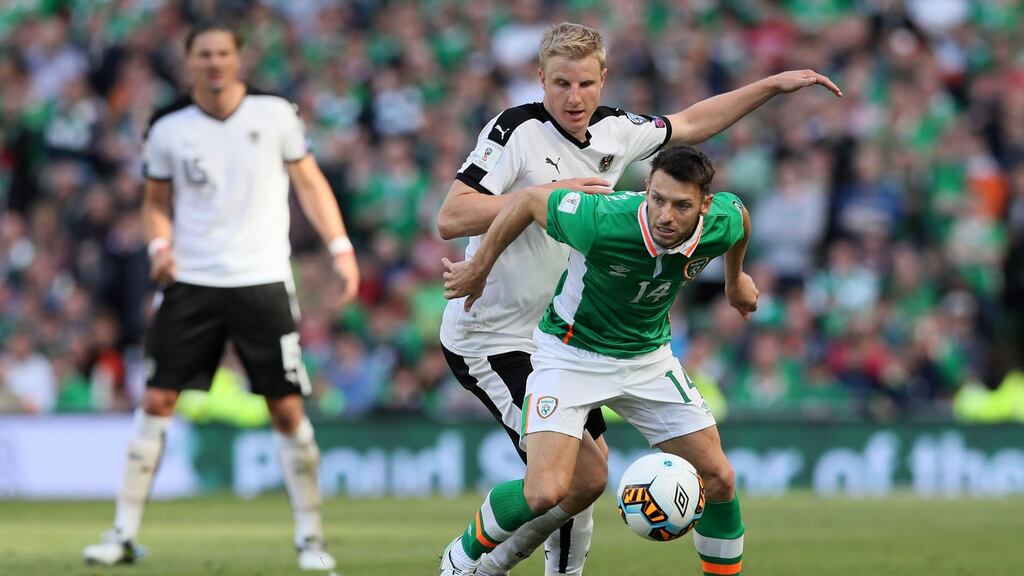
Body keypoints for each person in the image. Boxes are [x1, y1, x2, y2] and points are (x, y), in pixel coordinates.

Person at [435, 21, 839, 576]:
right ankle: (471, 565)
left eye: (584, 84)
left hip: (579, 327)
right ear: (540, 81)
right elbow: (451, 217)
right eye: (559, 85)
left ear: (603, 79)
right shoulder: (514, 131)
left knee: (593, 479)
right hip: (496, 334)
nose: (573, 99)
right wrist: (541, 196)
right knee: (572, 480)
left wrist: (769, 86)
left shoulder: (617, 132)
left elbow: (693, 122)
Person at [82, 21, 359, 572]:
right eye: (204, 54)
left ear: (238, 58)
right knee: (157, 400)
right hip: (192, 280)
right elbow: (155, 201)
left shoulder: (275, 114)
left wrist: (340, 246)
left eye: (223, 53)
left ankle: (310, 538)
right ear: (189, 62)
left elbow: (309, 182)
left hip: (261, 278)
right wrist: (159, 243)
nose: (214, 63)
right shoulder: (167, 127)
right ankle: (123, 533)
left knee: (285, 407)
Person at [440, 145, 754, 576]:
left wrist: (735, 283)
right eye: (657, 199)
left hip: (648, 359)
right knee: (546, 491)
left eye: (681, 205)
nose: (664, 215)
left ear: (704, 205)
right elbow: (530, 201)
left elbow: (741, 220)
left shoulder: (723, 220)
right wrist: (477, 267)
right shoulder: (601, 220)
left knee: (719, 478)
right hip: (570, 356)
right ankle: (461, 557)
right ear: (646, 188)